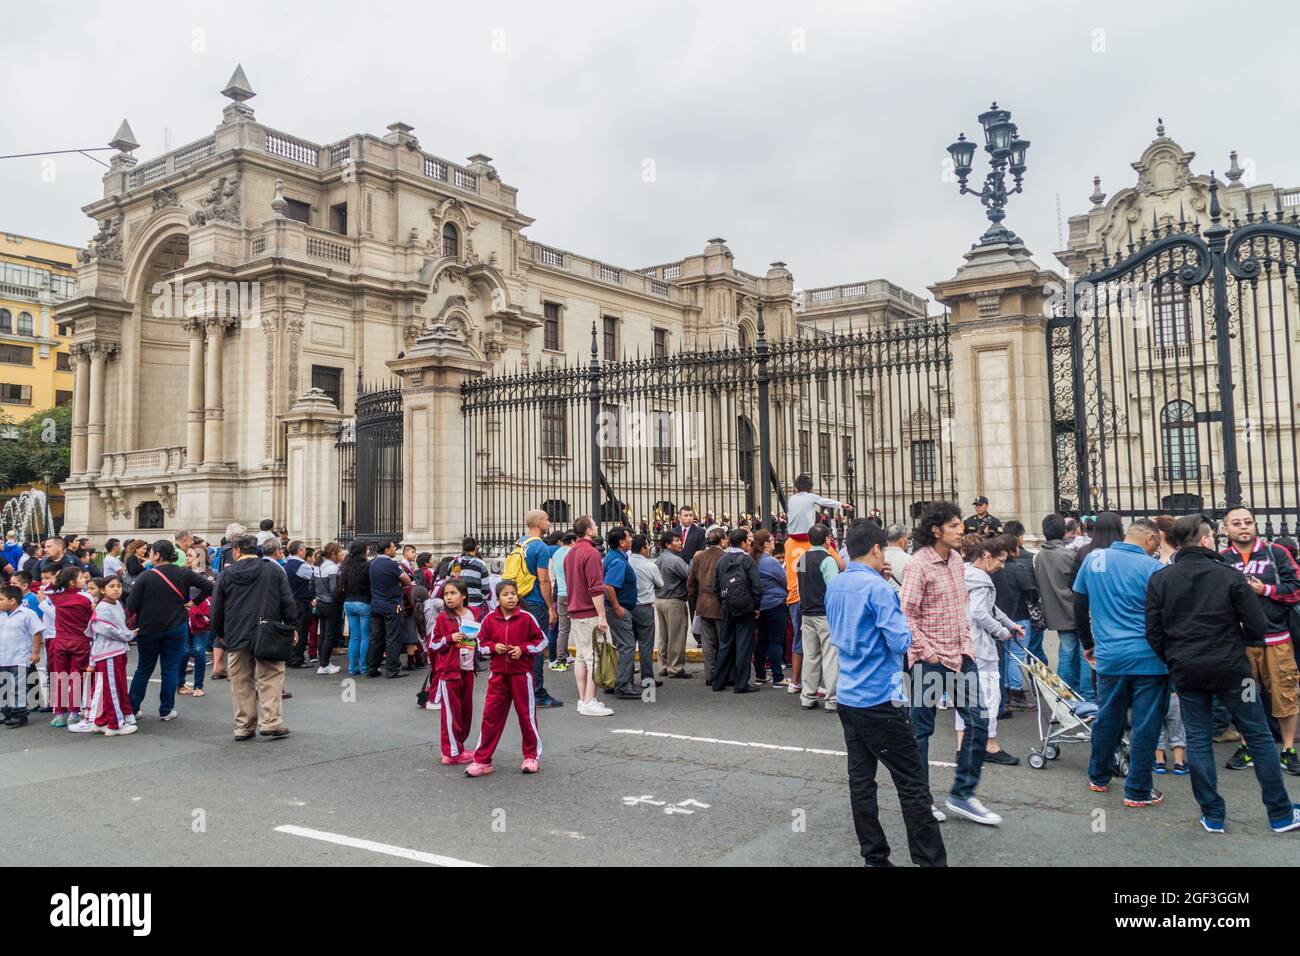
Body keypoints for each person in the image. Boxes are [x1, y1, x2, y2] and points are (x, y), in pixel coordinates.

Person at [1145, 513, 1300, 832]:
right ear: (1204, 540)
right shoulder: (1229, 576)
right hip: (1233, 669)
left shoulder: (1161, 579)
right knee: (1257, 734)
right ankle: (1280, 813)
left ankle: (1213, 814)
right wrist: (1242, 643)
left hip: (1187, 669)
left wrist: (1173, 658)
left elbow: (1154, 631)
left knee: (1198, 738)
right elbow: (1257, 624)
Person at [827, 521, 945, 866]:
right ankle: (930, 860)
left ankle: (874, 857)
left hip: (848, 692)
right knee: (912, 785)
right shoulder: (878, 589)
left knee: (861, 781)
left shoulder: (838, 583)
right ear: (878, 549)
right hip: (880, 695)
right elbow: (899, 640)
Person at [902, 500, 1000, 826]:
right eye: (955, 526)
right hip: (929, 663)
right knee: (921, 733)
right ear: (936, 530)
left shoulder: (957, 560)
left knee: (978, 722)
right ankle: (920, 800)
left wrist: (966, 647)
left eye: (961, 525)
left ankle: (962, 794)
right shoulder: (918, 565)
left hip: (960, 659)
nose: (962, 530)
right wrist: (927, 652)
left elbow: (963, 607)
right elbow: (907, 615)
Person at [1074, 517, 1167, 807]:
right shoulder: (1156, 569)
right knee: (1145, 724)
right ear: (1150, 539)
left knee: (1108, 717)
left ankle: (1098, 777)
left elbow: (1079, 603)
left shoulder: (1094, 559)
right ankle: (1137, 790)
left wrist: (1088, 643)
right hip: (1150, 659)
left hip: (1110, 655)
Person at [1220, 505, 1300, 775]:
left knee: (1285, 695)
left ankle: (1288, 749)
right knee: (1246, 696)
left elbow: (1296, 589)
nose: (1243, 527)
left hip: (1277, 641)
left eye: (1247, 522)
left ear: (1255, 525)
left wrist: (1265, 589)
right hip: (1240, 646)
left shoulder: (1276, 553)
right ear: (1226, 529)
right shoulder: (1221, 560)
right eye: (1236, 523)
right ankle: (1247, 746)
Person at [209, 533, 297, 740]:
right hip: (268, 629)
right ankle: (271, 721)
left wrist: (220, 633)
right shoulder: (273, 570)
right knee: (271, 675)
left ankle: (244, 725)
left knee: (241, 680)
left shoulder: (226, 575)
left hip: (236, 631)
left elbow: (217, 608)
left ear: (237, 551)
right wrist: (292, 626)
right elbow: (287, 600)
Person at [465, 581, 549, 777]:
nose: (511, 597)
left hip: (522, 675)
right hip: (498, 676)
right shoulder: (489, 620)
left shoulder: (527, 618)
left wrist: (524, 649)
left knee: (526, 716)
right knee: (490, 717)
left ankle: (531, 756)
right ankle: (483, 760)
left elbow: (541, 641)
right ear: (498, 598)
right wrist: (494, 648)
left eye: (513, 593)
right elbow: (480, 643)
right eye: (506, 594)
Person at [125, 539, 214, 721]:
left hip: (149, 627)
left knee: (143, 668)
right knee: (170, 668)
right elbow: (209, 586)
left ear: (157, 555)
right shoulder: (184, 573)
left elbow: (131, 605)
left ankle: (132, 709)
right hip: (176, 625)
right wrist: (193, 602)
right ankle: (166, 710)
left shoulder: (145, 576)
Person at [959, 537, 1020, 765]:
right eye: (1000, 560)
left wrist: (1010, 624)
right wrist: (1002, 632)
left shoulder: (965, 573)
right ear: (987, 556)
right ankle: (990, 745)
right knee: (990, 696)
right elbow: (980, 612)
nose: (1001, 566)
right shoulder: (983, 579)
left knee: (967, 696)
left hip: (966, 642)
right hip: (981, 646)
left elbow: (990, 607)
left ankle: (965, 744)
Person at [1034, 513, 1092, 701]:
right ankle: (1087, 695)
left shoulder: (1040, 556)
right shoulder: (1068, 554)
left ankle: (1064, 695)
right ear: (1063, 532)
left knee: (1066, 652)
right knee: (1085, 653)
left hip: (1055, 612)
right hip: (1074, 610)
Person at [73, 576, 137, 736]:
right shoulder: (102, 607)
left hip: (117, 651)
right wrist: (128, 635)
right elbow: (105, 629)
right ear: (103, 589)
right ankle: (115, 724)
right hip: (108, 654)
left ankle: (104, 720)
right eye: (112, 586)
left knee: (116, 687)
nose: (116, 589)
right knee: (112, 689)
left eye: (119, 586)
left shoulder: (116, 604)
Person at [563, 515, 613, 717]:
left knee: (582, 657)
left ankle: (583, 699)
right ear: (589, 530)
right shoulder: (591, 553)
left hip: (575, 610)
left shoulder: (570, 553)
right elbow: (595, 588)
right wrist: (602, 615)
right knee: (595, 657)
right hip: (589, 611)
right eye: (594, 524)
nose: (596, 527)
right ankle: (589, 700)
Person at [427, 578, 481, 764]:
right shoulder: (443, 618)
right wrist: (450, 638)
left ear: (464, 596)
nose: (449, 597)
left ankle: (458, 745)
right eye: (446, 594)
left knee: (466, 711)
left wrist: (473, 642)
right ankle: (450, 752)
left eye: (453, 593)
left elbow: (480, 638)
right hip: (449, 671)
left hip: (467, 668)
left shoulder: (474, 613)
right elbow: (433, 644)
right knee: (451, 713)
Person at [712, 526, 763, 694]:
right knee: (744, 645)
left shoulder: (722, 560)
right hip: (745, 608)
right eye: (747, 541)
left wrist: (724, 602)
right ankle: (741, 683)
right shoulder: (747, 560)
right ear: (742, 543)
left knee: (725, 644)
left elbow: (716, 587)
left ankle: (718, 682)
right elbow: (756, 586)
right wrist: (756, 606)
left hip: (728, 607)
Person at [796, 524, 841, 709]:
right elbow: (833, 589)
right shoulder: (828, 560)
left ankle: (808, 695)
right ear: (828, 539)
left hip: (806, 612)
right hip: (824, 613)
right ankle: (832, 699)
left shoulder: (803, 558)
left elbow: (801, 584)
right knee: (830, 656)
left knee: (811, 655)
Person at [990, 528, 1036, 710]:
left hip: (1001, 617)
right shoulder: (1018, 568)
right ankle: (1016, 692)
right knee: (1017, 656)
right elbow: (1030, 591)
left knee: (1006, 656)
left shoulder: (993, 570)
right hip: (1019, 615)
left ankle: (1008, 689)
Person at [46, 567, 95, 728]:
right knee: (76, 677)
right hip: (81, 641)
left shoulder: (56, 597)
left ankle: (59, 714)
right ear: (73, 582)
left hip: (60, 641)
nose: (84, 580)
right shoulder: (86, 597)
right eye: (81, 578)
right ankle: (74, 713)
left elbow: (47, 589)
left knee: (59, 677)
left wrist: (55, 581)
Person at [603, 526, 642, 701]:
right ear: (621, 542)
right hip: (618, 610)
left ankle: (618, 680)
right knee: (627, 646)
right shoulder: (618, 561)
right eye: (628, 537)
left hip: (616, 609)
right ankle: (623, 685)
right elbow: (609, 586)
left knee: (621, 645)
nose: (631, 540)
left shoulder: (616, 557)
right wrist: (618, 607)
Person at [0, 583, 43, 729]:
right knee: (3, 686)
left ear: (12, 600)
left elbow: (36, 632)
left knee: (18, 686)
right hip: (2, 657)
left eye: (1, 599)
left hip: (19, 657)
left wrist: (35, 652)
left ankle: (20, 714)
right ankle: (7, 713)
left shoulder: (27, 614)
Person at [367, 539, 412, 679]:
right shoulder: (392, 564)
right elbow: (407, 580)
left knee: (376, 638)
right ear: (387, 550)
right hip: (392, 605)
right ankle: (392, 669)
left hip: (375, 604)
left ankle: (372, 668)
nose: (395, 549)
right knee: (393, 638)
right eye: (393, 547)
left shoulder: (372, 563)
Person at [687, 527, 727, 685]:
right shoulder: (725, 557)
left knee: (708, 643)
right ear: (722, 540)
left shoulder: (699, 557)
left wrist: (695, 600)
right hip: (719, 605)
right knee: (723, 641)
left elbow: (691, 583)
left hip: (703, 604)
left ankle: (710, 675)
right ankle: (723, 674)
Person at [750, 529, 788, 686]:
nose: (773, 543)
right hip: (775, 603)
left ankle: (760, 674)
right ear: (766, 544)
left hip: (761, 605)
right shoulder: (770, 561)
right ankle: (778, 677)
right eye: (771, 541)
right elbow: (784, 580)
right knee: (776, 641)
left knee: (762, 640)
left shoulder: (753, 560)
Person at [628, 533, 663, 692]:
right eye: (648, 546)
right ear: (643, 548)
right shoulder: (650, 566)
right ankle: (647, 678)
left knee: (628, 645)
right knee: (646, 645)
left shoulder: (626, 561)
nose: (649, 549)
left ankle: (627, 678)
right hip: (645, 607)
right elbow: (660, 584)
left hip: (628, 607)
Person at [177, 546, 213, 698]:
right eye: (187, 555)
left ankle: (199, 685)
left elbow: (212, 591)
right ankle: (180, 683)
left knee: (199, 650)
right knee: (184, 651)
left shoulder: (210, 575)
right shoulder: (182, 574)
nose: (188, 558)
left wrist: (195, 603)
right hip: (184, 617)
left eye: (191, 555)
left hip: (201, 617)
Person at [654, 530, 691, 679]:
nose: (680, 542)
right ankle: (675, 668)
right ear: (668, 544)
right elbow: (689, 574)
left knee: (664, 636)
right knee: (676, 636)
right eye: (676, 540)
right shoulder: (675, 561)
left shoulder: (659, 559)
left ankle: (663, 666)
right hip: (674, 601)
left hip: (660, 600)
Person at [338, 541, 372, 676]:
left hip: (349, 603)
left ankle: (353, 667)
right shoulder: (367, 566)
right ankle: (363, 666)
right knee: (365, 637)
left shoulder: (345, 566)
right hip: (364, 603)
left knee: (354, 637)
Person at [547, 530, 577, 671]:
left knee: (563, 629)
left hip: (561, 594)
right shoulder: (572, 553)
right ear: (571, 542)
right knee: (581, 626)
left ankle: (561, 659)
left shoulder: (556, 554)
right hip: (573, 593)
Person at [313, 542, 344, 675]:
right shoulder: (333, 568)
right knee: (330, 635)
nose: (342, 555)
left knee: (323, 634)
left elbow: (311, 584)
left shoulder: (317, 565)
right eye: (340, 552)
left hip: (320, 602)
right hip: (330, 604)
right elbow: (334, 590)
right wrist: (341, 599)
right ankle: (324, 664)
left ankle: (323, 662)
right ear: (333, 554)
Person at [284, 540, 315, 669]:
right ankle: (297, 658)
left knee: (292, 630)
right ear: (299, 551)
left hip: (290, 600)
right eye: (303, 550)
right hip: (301, 601)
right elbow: (314, 577)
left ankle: (290, 657)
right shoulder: (302, 566)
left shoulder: (286, 564)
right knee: (301, 630)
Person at [452, 537, 490, 609]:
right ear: (475, 548)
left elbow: (449, 582)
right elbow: (485, 588)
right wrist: (483, 597)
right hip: (476, 604)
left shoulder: (454, 563)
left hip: (458, 603)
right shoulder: (481, 564)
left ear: (462, 548)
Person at [883, 525, 911, 595]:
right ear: (902, 541)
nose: (907, 541)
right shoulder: (910, 560)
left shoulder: (878, 558)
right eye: (907, 538)